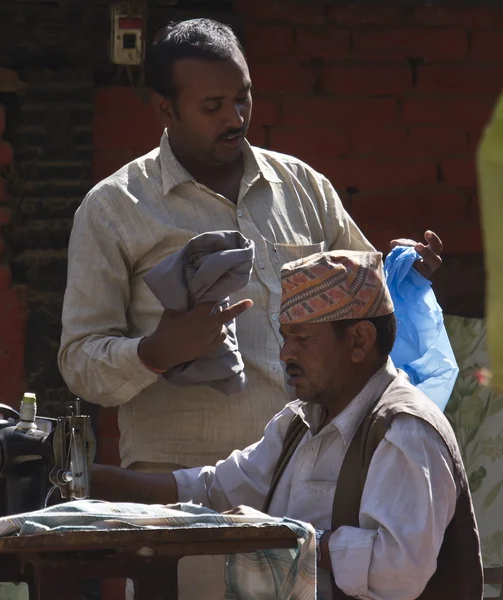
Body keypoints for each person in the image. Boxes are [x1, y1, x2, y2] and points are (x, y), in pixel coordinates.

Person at [59, 18, 444, 599]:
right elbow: (80, 361)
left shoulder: (304, 189)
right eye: (212, 105)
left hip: (308, 488)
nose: (235, 118)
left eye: (242, 98)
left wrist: (406, 274)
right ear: (165, 108)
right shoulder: (114, 209)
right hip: (182, 503)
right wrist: (157, 351)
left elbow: (362, 304)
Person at [90, 250, 482, 600]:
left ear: (359, 341)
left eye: (302, 339)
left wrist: (289, 537)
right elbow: (215, 489)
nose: (285, 354)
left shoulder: (404, 430)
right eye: (284, 337)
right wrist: (96, 483)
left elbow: (397, 574)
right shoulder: (298, 424)